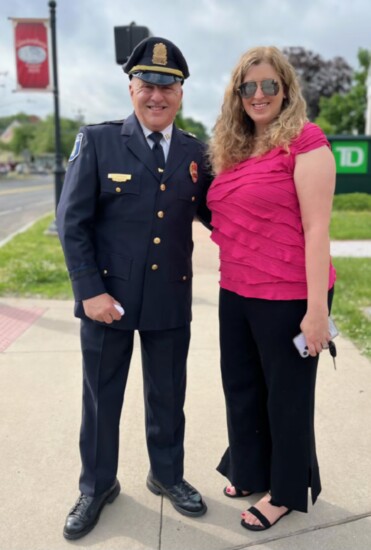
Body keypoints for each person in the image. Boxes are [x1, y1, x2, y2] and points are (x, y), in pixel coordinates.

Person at [57, 36, 211, 540]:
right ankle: (97, 486)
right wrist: (89, 291)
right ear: (131, 88)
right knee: (102, 399)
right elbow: (73, 222)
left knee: (168, 396)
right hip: (109, 301)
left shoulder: (196, 152)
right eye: (147, 84)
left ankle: (166, 475)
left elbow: (222, 215)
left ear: (181, 94)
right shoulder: (98, 141)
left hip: (169, 296)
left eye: (168, 87)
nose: (156, 96)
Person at [207, 46, 336, 531]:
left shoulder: (305, 141)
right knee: (241, 389)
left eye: (269, 86)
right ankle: (250, 469)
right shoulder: (234, 150)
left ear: (285, 90)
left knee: (286, 397)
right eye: (249, 87)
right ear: (237, 95)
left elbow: (317, 228)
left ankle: (283, 490)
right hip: (236, 290)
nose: (258, 95)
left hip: (289, 296)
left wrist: (316, 309)